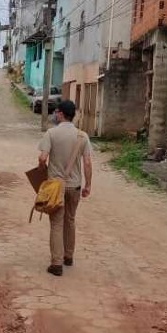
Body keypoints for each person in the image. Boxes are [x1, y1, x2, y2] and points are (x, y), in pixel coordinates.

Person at [38, 100, 92, 277]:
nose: (55, 114)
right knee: (70, 220)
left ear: (60, 114)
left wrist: (42, 172)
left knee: (56, 223)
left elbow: (43, 158)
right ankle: (68, 256)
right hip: (74, 186)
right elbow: (87, 163)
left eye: (56, 112)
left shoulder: (51, 133)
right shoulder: (82, 136)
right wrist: (88, 185)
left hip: (56, 187)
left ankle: (56, 264)